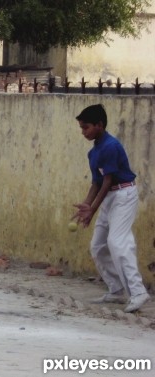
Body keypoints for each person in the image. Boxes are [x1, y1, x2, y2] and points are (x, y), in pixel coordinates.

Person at [72, 104, 150, 313]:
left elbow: (108, 181)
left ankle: (138, 292)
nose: (83, 132)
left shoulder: (110, 146)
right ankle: (116, 290)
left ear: (99, 125)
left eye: (86, 127)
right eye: (81, 128)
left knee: (118, 242)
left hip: (123, 195)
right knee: (98, 245)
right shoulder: (94, 152)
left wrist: (93, 209)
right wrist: (87, 206)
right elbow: (96, 183)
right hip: (108, 198)